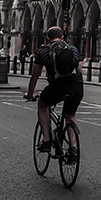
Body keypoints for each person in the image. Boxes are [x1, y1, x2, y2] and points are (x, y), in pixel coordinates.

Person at [24, 26, 84, 156]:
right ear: (62, 37)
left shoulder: (42, 51)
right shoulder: (72, 49)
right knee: (70, 115)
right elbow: (79, 70)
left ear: (47, 38)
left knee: (42, 104)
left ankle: (46, 140)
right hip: (76, 86)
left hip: (58, 86)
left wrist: (30, 93)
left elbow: (35, 75)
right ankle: (73, 148)